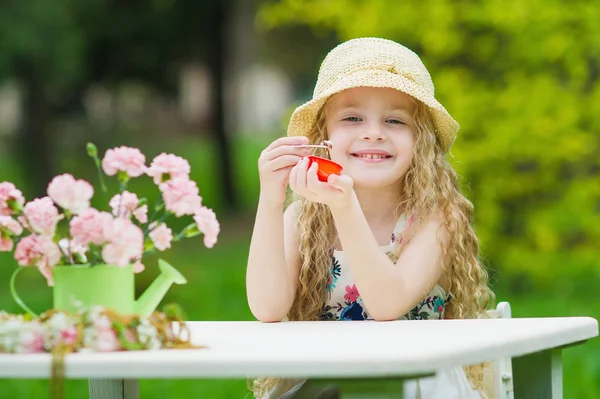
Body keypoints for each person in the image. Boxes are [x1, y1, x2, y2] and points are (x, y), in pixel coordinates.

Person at [246, 37, 494, 399]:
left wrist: (345, 209)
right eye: (352, 118)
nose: (374, 131)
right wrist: (270, 199)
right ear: (324, 136)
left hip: (420, 384)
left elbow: (386, 305)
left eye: (395, 120)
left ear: (420, 140)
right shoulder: (305, 218)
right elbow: (267, 308)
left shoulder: (437, 219)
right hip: (327, 383)